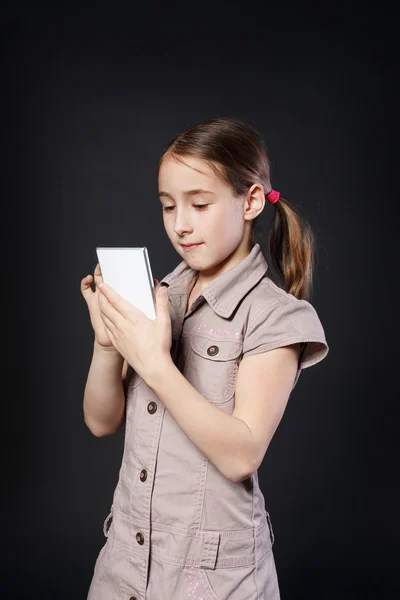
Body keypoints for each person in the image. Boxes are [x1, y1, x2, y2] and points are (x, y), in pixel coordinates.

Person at [80, 117, 329, 600]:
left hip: (215, 580)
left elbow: (241, 454)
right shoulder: (162, 297)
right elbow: (99, 420)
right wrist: (107, 343)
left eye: (199, 203)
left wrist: (154, 362)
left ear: (251, 200)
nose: (180, 224)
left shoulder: (276, 317)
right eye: (168, 206)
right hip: (124, 563)